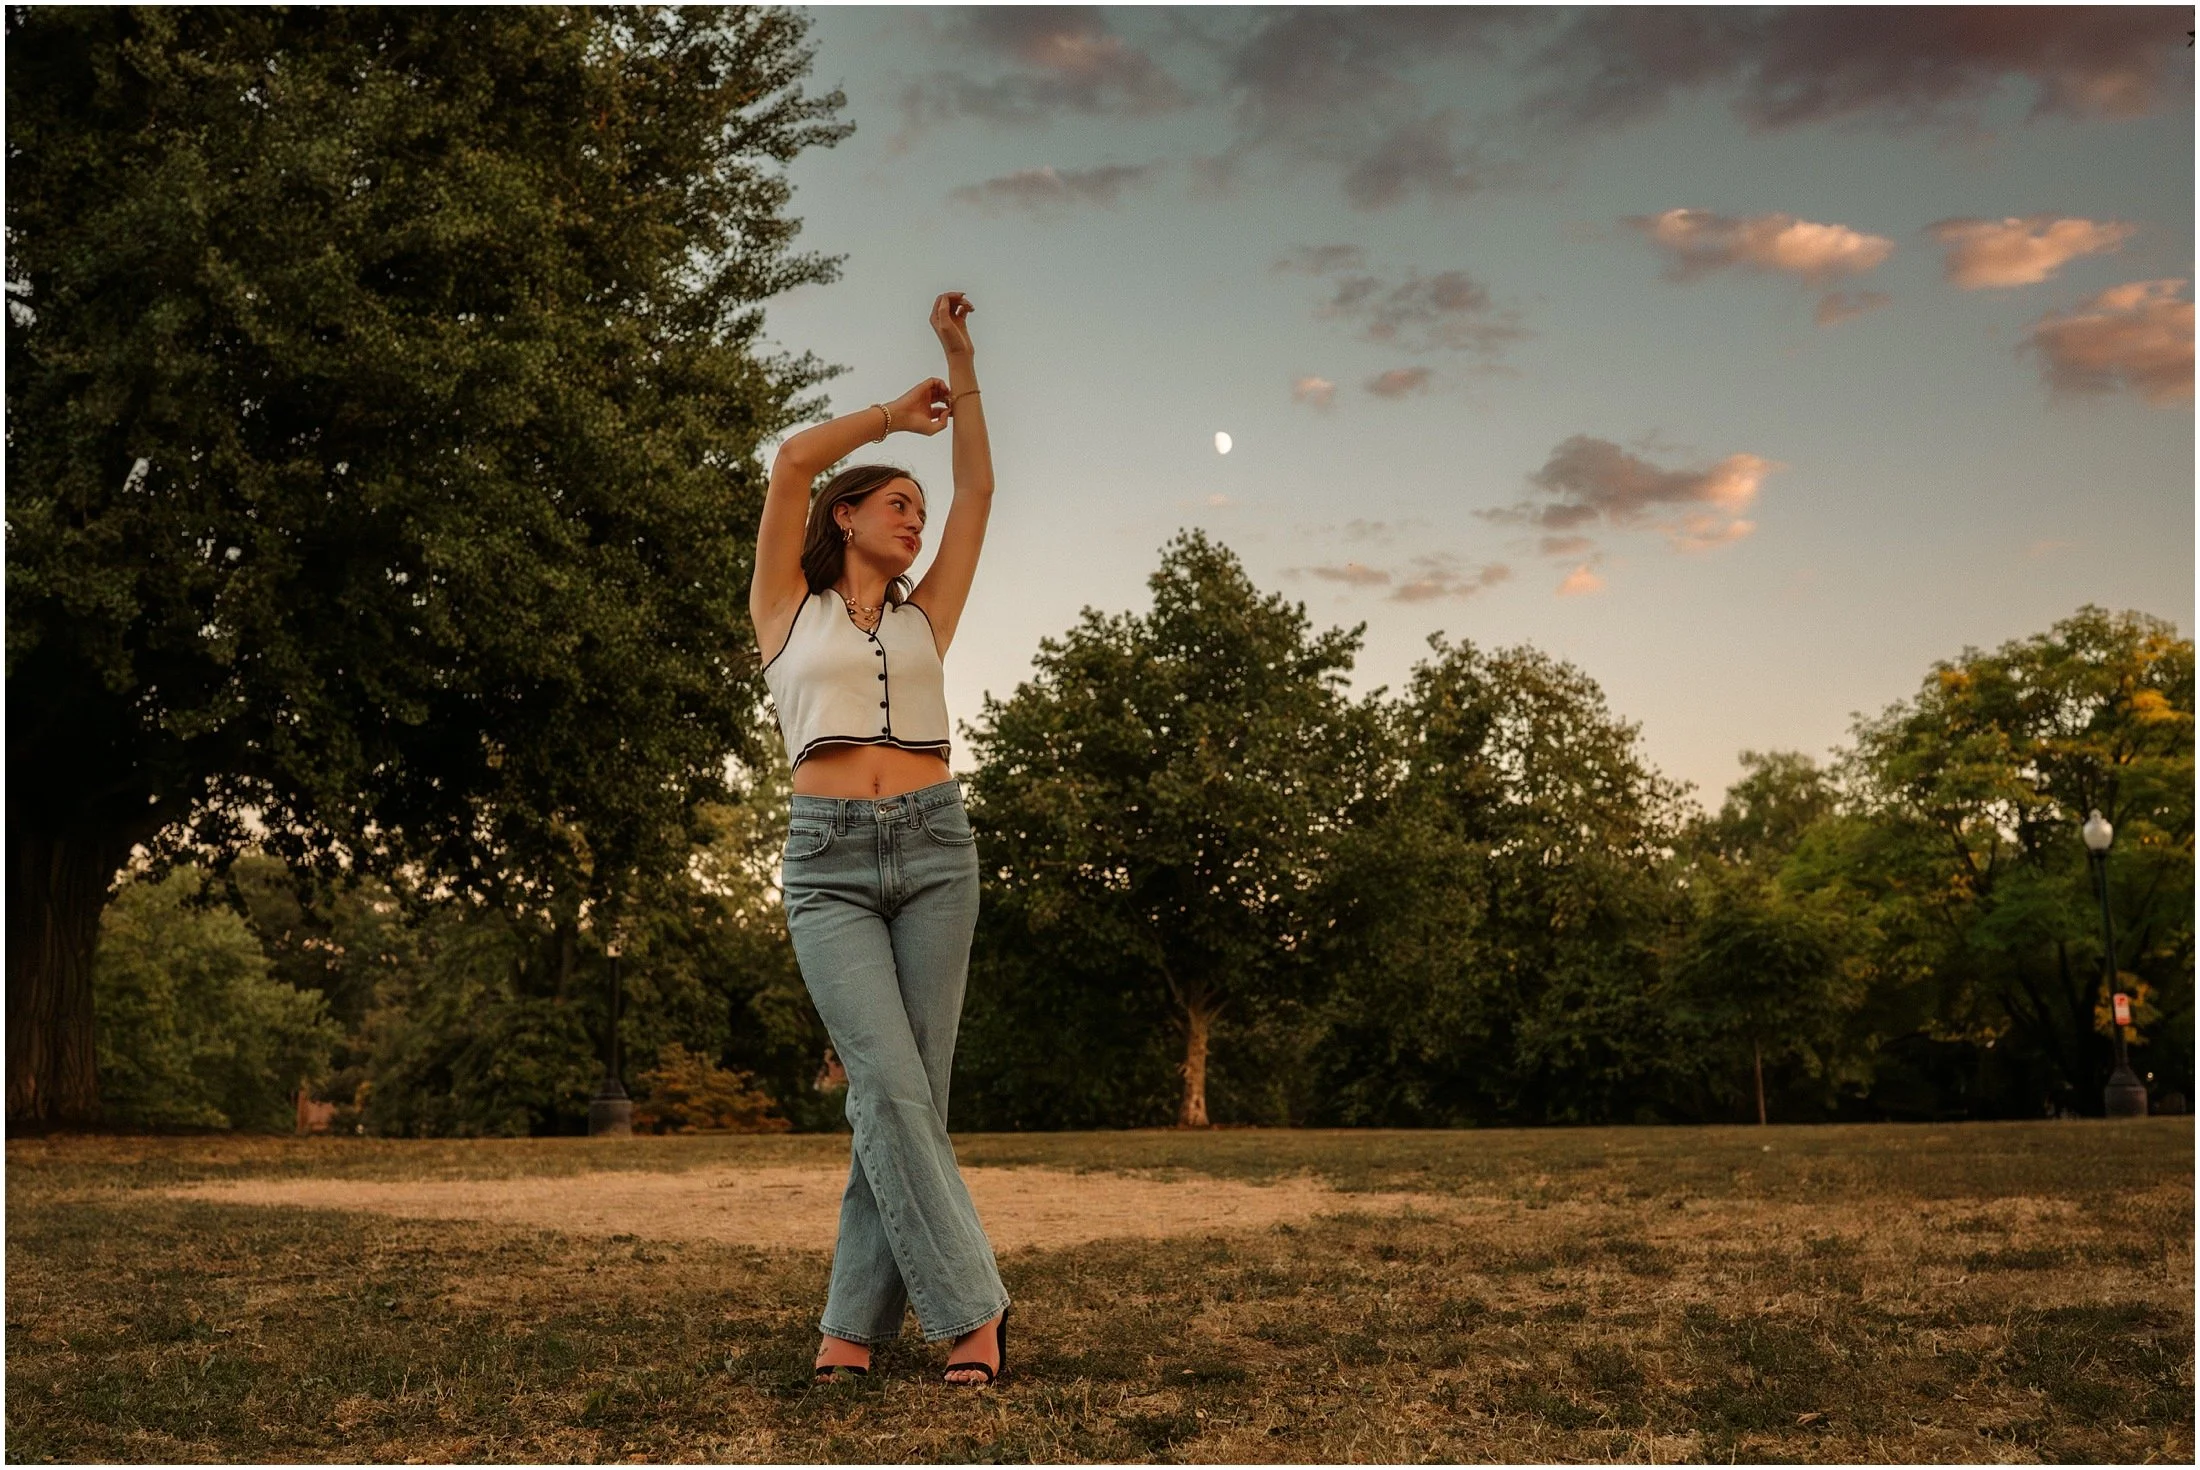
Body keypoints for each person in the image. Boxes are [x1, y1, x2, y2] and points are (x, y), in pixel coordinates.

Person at [748, 290, 1011, 1388]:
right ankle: (974, 1313)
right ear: (848, 516)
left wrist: (961, 358)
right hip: (828, 865)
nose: (915, 516)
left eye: (918, 507)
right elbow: (789, 464)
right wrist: (891, 419)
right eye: (896, 504)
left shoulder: (923, 614)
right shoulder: (784, 609)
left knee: (911, 1098)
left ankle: (849, 1330)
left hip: (935, 848)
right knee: (885, 1087)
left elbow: (983, 491)